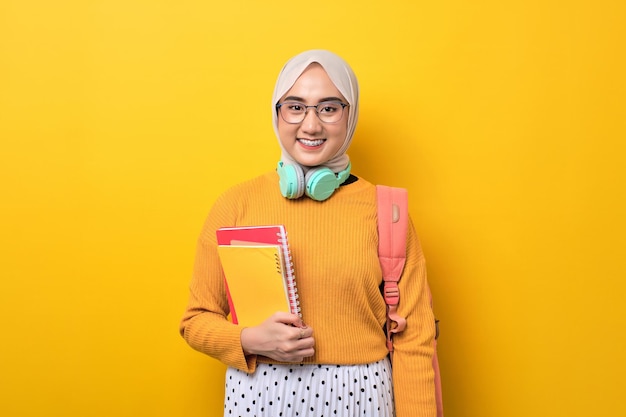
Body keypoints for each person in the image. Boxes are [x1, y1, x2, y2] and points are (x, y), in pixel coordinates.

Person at [180, 49, 437, 416]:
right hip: (259, 396)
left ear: (350, 116)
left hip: (363, 399)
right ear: (277, 112)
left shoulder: (388, 213)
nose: (311, 125)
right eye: (295, 107)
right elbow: (195, 320)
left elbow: (414, 341)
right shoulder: (236, 205)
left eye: (329, 108)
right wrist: (250, 339)